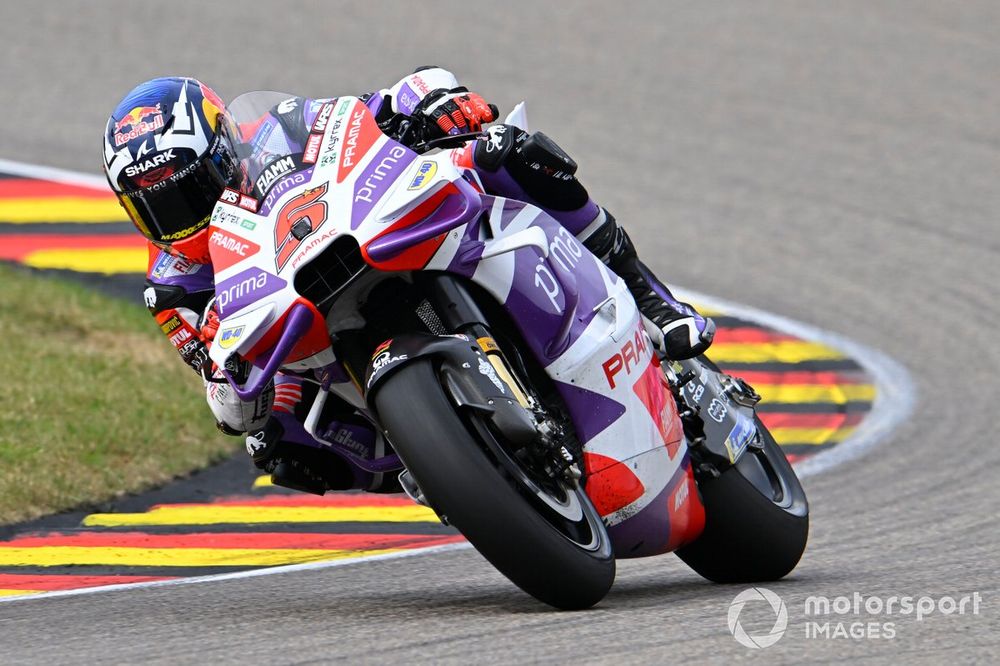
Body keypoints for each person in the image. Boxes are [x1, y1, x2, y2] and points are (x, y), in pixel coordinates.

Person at [103, 69, 715, 494]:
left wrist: (435, 104)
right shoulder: (175, 289)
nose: (177, 218)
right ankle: (442, 467)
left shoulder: (280, 129)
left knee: (508, 154)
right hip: (311, 344)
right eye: (153, 208)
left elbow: (375, 107)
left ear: (220, 150)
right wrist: (230, 380)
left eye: (185, 191)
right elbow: (229, 398)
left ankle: (649, 299)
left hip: (374, 231)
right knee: (277, 445)